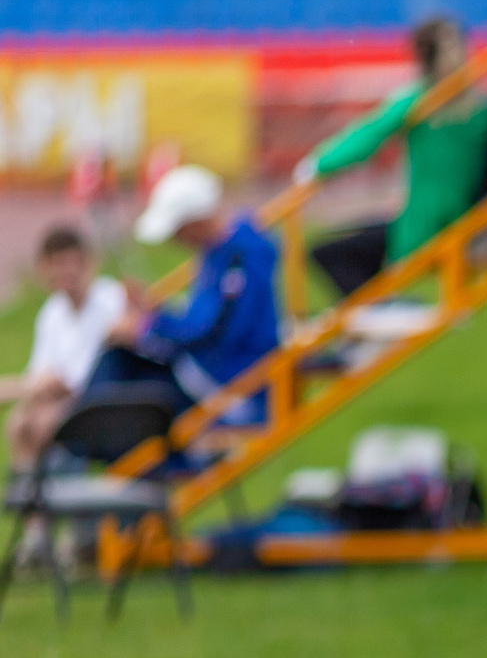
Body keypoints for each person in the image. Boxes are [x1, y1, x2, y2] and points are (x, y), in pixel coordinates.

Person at [298, 16, 487, 299]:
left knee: (336, 253)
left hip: (452, 220)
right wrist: (320, 164)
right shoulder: (421, 103)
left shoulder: (482, 110)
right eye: (450, 47)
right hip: (423, 220)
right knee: (329, 251)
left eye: (460, 45)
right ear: (430, 56)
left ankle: (384, 304)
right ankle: (383, 305)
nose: (460, 55)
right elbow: (370, 133)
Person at [86, 165, 280, 423]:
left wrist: (144, 328)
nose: (175, 241)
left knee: (122, 369)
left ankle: (78, 435)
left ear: (194, 222)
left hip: (235, 381)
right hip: (214, 370)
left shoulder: (240, 257)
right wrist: (154, 311)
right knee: (119, 366)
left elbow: (210, 333)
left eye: (176, 232)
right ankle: (79, 430)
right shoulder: (221, 252)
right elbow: (205, 322)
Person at [2, 222, 129, 470]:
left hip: (103, 397)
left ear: (89, 262)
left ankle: (49, 485)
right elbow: (41, 373)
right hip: (65, 398)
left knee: (44, 422)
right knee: (19, 422)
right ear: (44, 269)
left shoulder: (111, 298)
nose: (68, 271)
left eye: (74, 262)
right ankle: (30, 489)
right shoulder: (51, 313)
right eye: (59, 264)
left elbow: (101, 371)